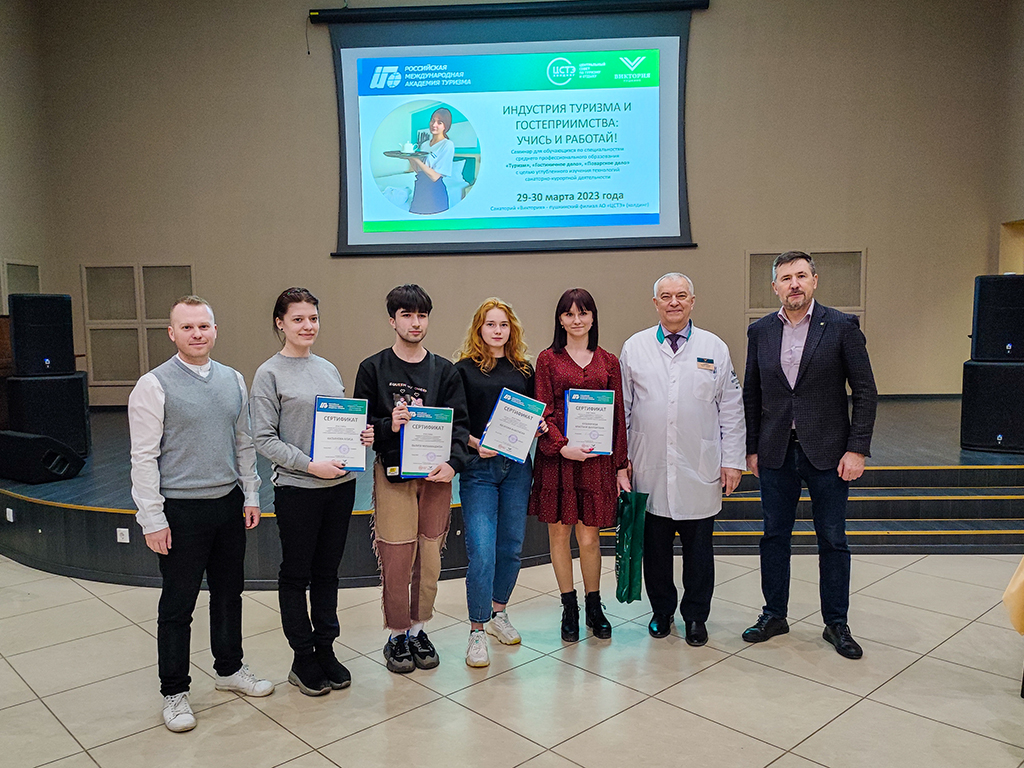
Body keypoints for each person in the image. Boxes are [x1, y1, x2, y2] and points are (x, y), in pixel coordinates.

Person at [129, 296, 274, 734]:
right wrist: (152, 519)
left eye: (204, 326)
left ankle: (229, 669)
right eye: (187, 327)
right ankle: (174, 692)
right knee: (178, 605)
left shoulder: (233, 379)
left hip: (227, 503)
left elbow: (244, 441)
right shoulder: (153, 385)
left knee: (230, 594)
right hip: (180, 510)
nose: (197, 334)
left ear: (215, 330)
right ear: (172, 333)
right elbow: (143, 458)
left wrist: (251, 493)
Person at [742, 251, 877, 659]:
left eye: (801, 276)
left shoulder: (841, 326)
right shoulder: (760, 331)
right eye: (786, 278)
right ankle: (774, 614)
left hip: (829, 453)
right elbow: (752, 393)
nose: (794, 284)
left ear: (814, 280)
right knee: (773, 536)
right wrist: (751, 448)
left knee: (832, 539)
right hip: (775, 452)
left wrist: (857, 449)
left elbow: (865, 391)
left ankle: (836, 623)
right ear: (775, 287)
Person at [249, 288, 374, 696]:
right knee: (296, 574)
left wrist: (362, 436)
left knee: (327, 572)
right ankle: (302, 657)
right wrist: (309, 465)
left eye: (313, 318)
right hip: (298, 489)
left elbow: (341, 426)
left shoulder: (328, 369)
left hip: (340, 488)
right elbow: (264, 438)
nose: (308, 326)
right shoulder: (269, 374)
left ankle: (326, 649)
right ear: (280, 323)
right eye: (298, 319)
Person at [619, 273, 746, 646]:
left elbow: (731, 408)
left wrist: (732, 460)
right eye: (665, 296)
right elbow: (622, 410)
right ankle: (661, 612)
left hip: (698, 467)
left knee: (699, 553)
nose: (673, 302)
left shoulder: (714, 347)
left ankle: (695, 617)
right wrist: (621, 461)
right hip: (649, 466)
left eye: (681, 296)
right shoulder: (635, 347)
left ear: (692, 301)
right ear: (655, 303)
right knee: (655, 552)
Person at [353, 284, 471, 673]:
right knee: (397, 554)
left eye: (421, 315)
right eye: (406, 315)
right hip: (394, 475)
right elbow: (362, 427)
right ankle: (397, 634)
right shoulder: (373, 369)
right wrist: (389, 424)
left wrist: (453, 464)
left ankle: (419, 630)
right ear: (393, 320)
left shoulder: (445, 371)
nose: (415, 322)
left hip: (436, 477)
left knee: (430, 556)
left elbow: (460, 426)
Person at [529, 288, 629, 642]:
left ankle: (594, 606)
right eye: (569, 314)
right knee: (559, 535)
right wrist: (562, 447)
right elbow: (543, 411)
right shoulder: (547, 360)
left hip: (596, 463)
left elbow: (618, 417)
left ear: (592, 317)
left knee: (589, 537)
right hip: (558, 462)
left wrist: (620, 466)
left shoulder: (608, 361)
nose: (576, 320)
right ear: (560, 320)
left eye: (583, 313)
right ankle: (568, 606)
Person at [454, 298, 544, 667]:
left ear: (512, 329)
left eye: (503, 325)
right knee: (482, 550)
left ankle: (498, 613)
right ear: (479, 328)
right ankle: (476, 630)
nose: (497, 330)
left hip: (517, 468)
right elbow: (455, 424)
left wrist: (538, 425)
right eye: (490, 324)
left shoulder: (524, 369)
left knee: (510, 546)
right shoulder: (463, 370)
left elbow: (534, 411)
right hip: (479, 469)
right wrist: (477, 444)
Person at [408, 107, 455, 215]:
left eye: (439, 122)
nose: (434, 124)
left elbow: (435, 177)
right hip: (419, 187)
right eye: (433, 120)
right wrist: (409, 157)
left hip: (434, 192)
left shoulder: (447, 145)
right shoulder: (425, 144)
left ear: (445, 126)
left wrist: (416, 159)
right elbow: (419, 170)